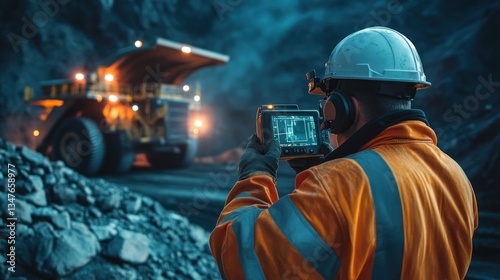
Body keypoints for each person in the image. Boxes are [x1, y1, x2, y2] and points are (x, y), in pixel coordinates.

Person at [209, 26, 478, 279]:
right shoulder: (456, 176)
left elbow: (240, 260)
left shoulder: (338, 185)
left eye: (327, 103)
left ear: (341, 110)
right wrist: (321, 171)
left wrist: (254, 177)